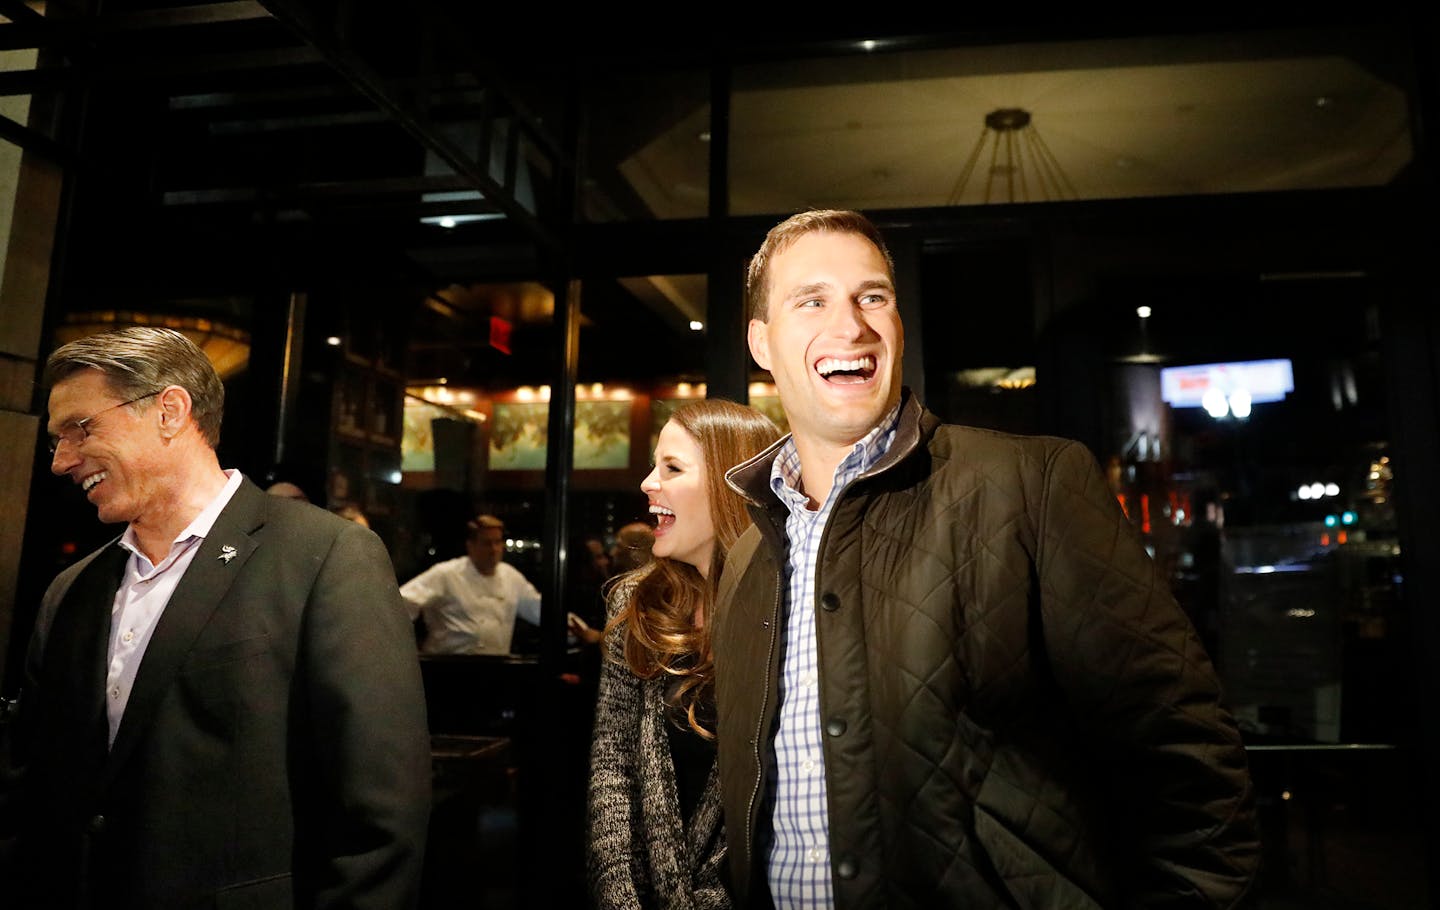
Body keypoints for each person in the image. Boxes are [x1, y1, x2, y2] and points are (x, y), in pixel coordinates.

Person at [711, 210, 1262, 908]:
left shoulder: (1031, 485)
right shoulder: (750, 557)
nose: (850, 326)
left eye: (872, 296)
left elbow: (1185, 755)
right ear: (761, 342)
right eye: (812, 301)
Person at [6, 326, 431, 909]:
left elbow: (381, 814)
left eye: (81, 428)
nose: (61, 461)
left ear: (170, 411)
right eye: (56, 439)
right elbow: (34, 789)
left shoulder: (326, 557)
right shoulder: (70, 591)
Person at [587, 399, 781, 909]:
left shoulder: (789, 606)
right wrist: (619, 896)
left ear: (728, 482)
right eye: (655, 467)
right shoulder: (635, 602)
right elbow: (612, 763)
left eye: (672, 468)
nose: (649, 483)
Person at [401, 513, 543, 655]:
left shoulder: (511, 577)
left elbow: (539, 610)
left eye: (498, 542)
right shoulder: (446, 574)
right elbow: (403, 603)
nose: (494, 550)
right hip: (449, 667)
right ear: (471, 546)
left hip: (498, 667)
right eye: (487, 543)